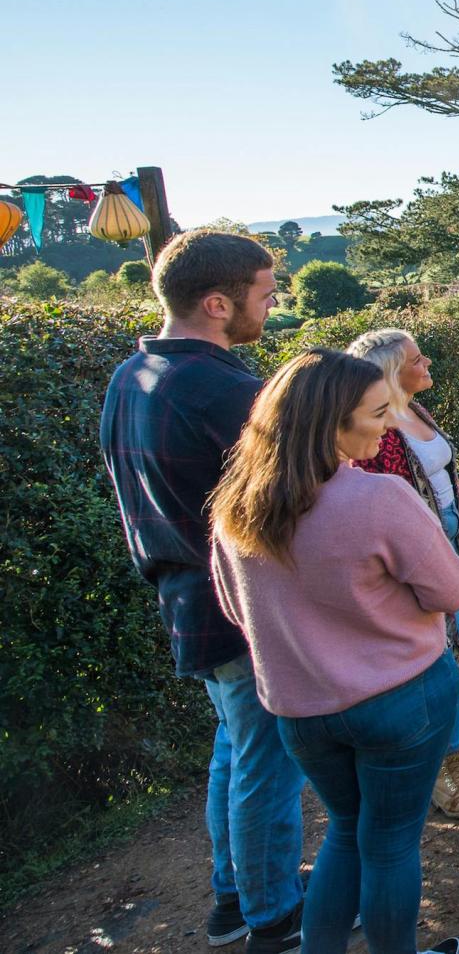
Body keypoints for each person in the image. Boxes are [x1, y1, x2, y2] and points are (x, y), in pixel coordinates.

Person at [209, 348, 459, 954]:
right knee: (392, 843)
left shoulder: (234, 511)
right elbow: (451, 589)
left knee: (346, 832)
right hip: (401, 698)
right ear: (330, 423)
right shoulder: (380, 498)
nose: (387, 425)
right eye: (377, 414)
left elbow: (234, 610)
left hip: (301, 712)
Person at [99, 229, 307, 953]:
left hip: (185, 599)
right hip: (242, 604)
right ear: (218, 304)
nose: (272, 306)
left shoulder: (132, 376)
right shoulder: (229, 392)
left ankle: (233, 896)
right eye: (265, 293)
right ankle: (275, 917)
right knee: (268, 762)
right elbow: (297, 502)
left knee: (235, 749)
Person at [345, 327, 459, 819]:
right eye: (416, 357)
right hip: (416, 556)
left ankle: (442, 748)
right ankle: (440, 766)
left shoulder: (414, 410)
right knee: (455, 649)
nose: (425, 362)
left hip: (449, 543)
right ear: (391, 370)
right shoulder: (380, 427)